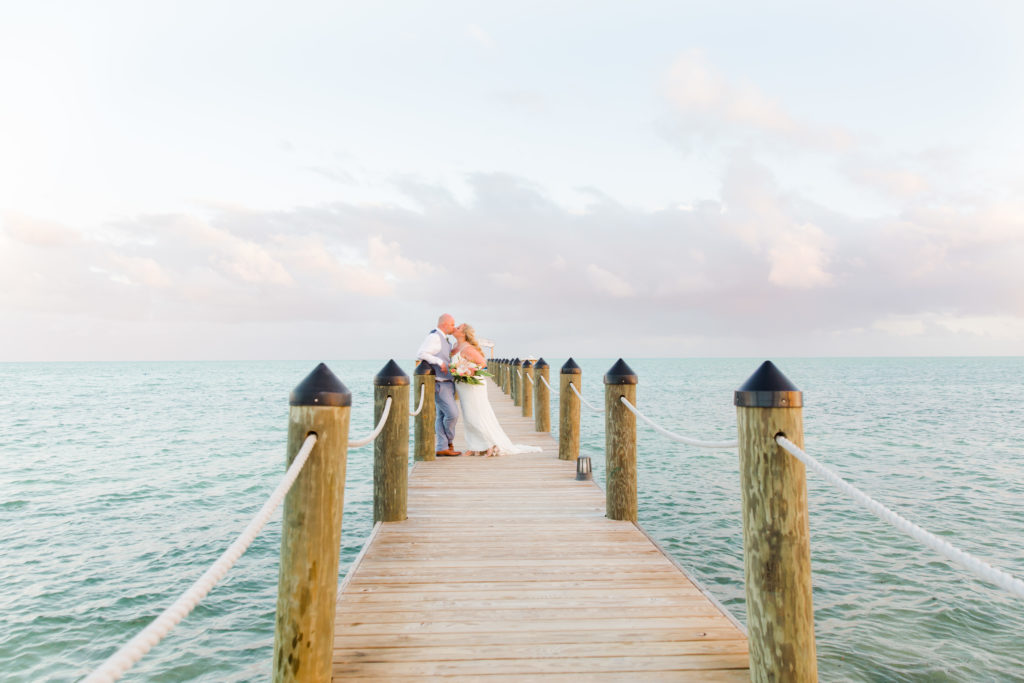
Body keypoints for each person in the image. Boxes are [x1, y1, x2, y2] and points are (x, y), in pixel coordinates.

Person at [451, 324, 542, 457]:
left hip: (473, 385)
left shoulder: (467, 348)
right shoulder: (454, 346)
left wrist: (468, 372)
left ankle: (491, 443)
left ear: (463, 334)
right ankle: (474, 446)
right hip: (463, 386)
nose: (455, 329)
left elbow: (482, 363)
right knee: (468, 415)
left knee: (476, 414)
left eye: (458, 328)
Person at [416, 313, 461, 456]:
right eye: (452, 324)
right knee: (452, 414)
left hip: (448, 382)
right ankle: (448, 442)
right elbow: (421, 353)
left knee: (442, 416)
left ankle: (442, 447)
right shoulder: (434, 337)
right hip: (440, 384)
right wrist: (439, 362)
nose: (453, 327)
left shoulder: (444, 339)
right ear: (444, 324)